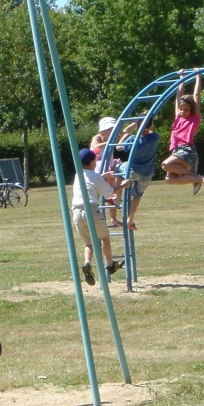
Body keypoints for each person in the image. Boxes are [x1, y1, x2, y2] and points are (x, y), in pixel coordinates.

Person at [71, 148, 129, 285]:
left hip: (76, 212)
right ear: (92, 162)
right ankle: (110, 265)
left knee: (89, 243)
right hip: (91, 211)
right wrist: (123, 185)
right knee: (104, 238)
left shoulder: (78, 175)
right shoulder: (95, 176)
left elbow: (90, 181)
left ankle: (87, 263)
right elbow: (109, 193)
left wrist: (103, 176)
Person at [161, 70, 204, 194]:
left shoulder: (194, 118)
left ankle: (200, 178)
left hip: (187, 150)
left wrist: (198, 76)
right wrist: (181, 77)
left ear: (191, 110)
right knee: (169, 179)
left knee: (165, 165)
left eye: (186, 110)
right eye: (181, 109)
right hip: (176, 151)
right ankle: (199, 178)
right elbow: (179, 96)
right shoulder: (178, 117)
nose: (183, 112)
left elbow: (196, 96)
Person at [120, 117, 160, 230]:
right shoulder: (154, 137)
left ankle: (115, 193)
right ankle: (130, 219)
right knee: (137, 196)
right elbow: (150, 129)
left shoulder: (133, 139)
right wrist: (147, 120)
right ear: (151, 126)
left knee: (117, 168)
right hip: (147, 174)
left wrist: (127, 132)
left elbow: (118, 147)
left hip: (132, 171)